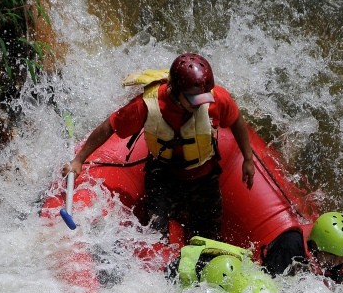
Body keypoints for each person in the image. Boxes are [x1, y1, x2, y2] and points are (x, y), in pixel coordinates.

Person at [62, 53, 255, 241]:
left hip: (203, 177)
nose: (200, 105)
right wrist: (79, 159)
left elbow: (236, 120)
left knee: (208, 239)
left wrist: (248, 158)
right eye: (195, 100)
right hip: (162, 175)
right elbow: (110, 126)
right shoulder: (147, 105)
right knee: (155, 236)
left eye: (204, 99)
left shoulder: (217, 98)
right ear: (176, 91)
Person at [261, 211, 343, 287]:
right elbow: (269, 280)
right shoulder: (291, 245)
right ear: (316, 246)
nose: (338, 261)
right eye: (333, 256)